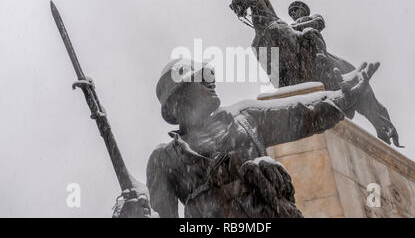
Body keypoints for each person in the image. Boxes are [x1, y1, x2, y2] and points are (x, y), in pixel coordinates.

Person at [116, 58, 379, 217]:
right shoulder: (165, 159)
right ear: (180, 96)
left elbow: (304, 114)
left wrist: (346, 97)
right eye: (203, 78)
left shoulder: (246, 118)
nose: (212, 82)